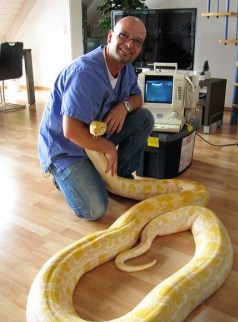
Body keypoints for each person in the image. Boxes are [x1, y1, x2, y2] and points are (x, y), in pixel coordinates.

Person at [38, 16, 154, 221]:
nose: (129, 45)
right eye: (124, 36)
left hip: (95, 135)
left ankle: (120, 180)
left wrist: (123, 106)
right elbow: (71, 131)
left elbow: (138, 98)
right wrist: (108, 148)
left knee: (144, 118)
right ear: (110, 37)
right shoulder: (85, 74)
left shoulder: (125, 67)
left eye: (137, 41)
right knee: (95, 210)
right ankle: (61, 177)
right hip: (67, 148)